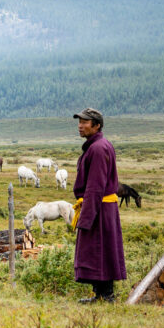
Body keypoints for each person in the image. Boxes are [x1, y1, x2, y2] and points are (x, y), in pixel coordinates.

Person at [72, 108, 126, 303]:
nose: (80, 125)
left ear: (97, 125)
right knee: (99, 250)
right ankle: (101, 295)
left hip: (98, 208)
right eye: (79, 121)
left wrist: (86, 217)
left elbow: (95, 186)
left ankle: (107, 296)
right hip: (99, 207)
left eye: (85, 122)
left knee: (98, 249)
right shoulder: (98, 146)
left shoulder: (97, 148)